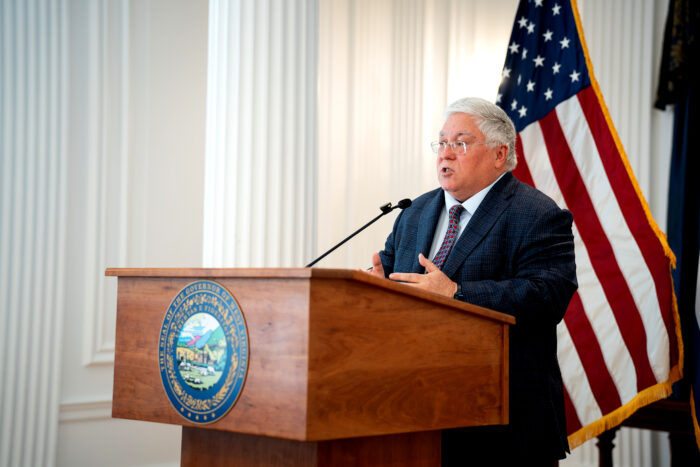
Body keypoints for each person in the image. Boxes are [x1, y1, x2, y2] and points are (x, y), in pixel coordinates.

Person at [367, 97, 577, 465]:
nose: (445, 154)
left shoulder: (538, 214)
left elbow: (548, 296)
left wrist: (456, 293)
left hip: (502, 424)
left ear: (499, 154)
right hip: (414, 413)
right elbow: (388, 273)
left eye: (460, 143)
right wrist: (373, 289)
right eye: (442, 142)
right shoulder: (414, 212)